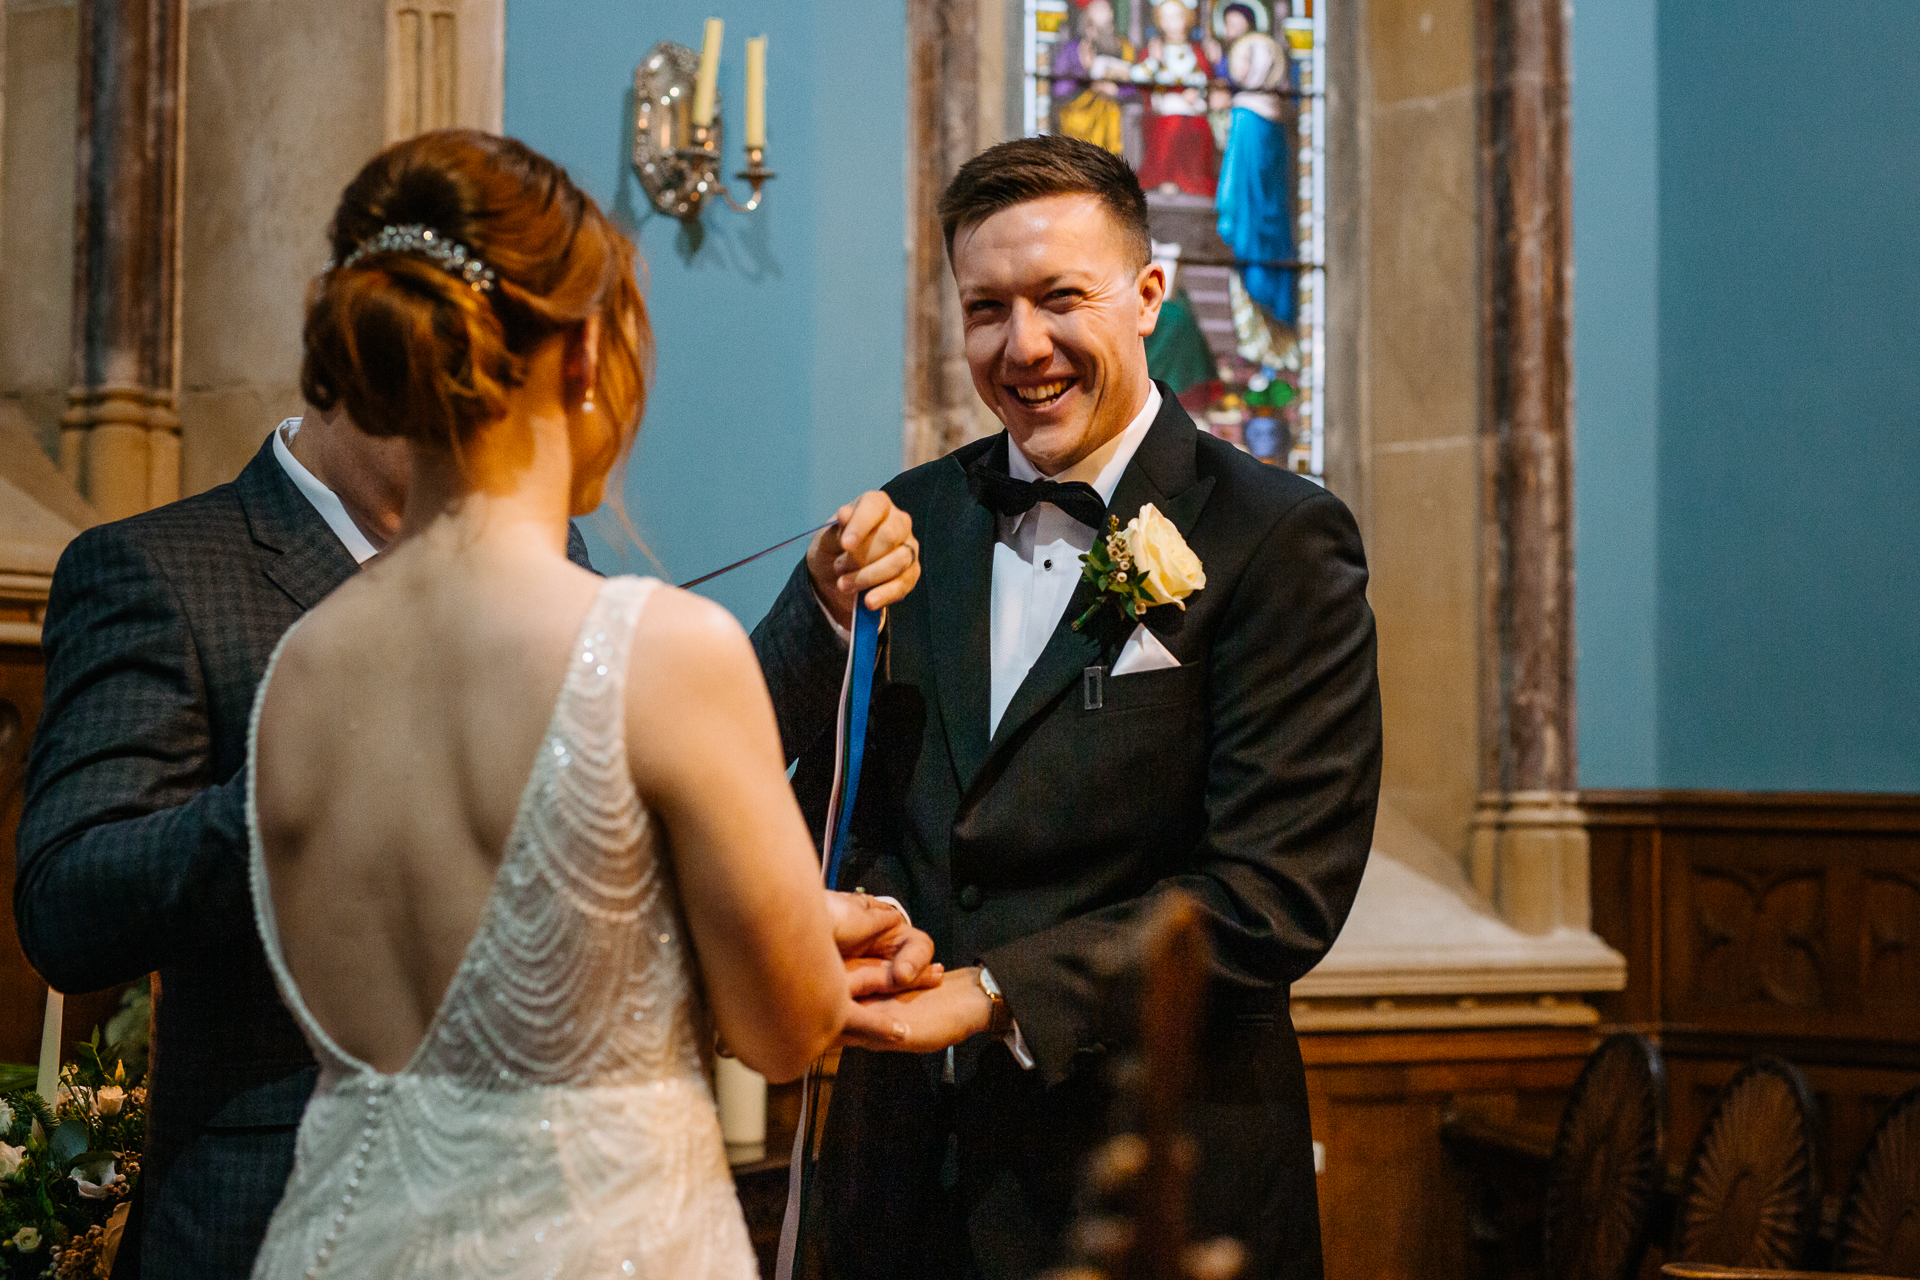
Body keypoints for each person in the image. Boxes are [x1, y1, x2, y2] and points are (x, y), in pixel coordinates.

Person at [241, 128, 935, 1279]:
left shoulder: (298, 669)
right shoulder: (657, 649)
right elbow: (784, 1026)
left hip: (337, 1238)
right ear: (581, 355)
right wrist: (783, 934)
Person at [752, 134, 1381, 1280]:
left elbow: (1273, 890)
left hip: (1148, 1183)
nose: (1022, 345)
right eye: (985, 307)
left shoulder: (1277, 537)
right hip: (899, 1183)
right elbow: (830, 801)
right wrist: (876, 925)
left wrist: (993, 990)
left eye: (1059, 298)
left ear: (1148, 297)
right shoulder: (911, 515)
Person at [16, 394, 588, 1274]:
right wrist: (303, 786)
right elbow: (68, 902)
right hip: (275, 1208)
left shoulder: (543, 562)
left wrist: (817, 615)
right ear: (342, 370)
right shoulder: (159, 568)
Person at [1215, 1, 1297, 323]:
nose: (1231, 32)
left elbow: (1236, 185)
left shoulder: (1246, 119)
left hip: (1251, 222)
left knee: (1249, 214)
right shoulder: (1272, 115)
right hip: (1272, 227)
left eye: (1236, 25)